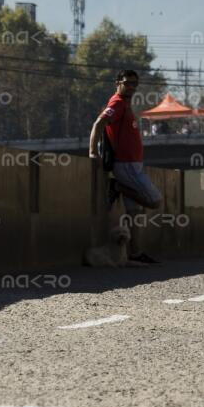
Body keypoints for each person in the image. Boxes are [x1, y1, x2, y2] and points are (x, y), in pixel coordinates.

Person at [88, 69, 162, 264]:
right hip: (126, 166)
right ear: (118, 83)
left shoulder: (126, 104)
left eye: (134, 84)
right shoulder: (117, 103)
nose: (131, 87)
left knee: (134, 214)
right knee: (155, 201)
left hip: (132, 165)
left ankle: (135, 253)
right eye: (127, 83)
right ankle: (118, 187)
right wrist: (93, 152)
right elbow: (99, 123)